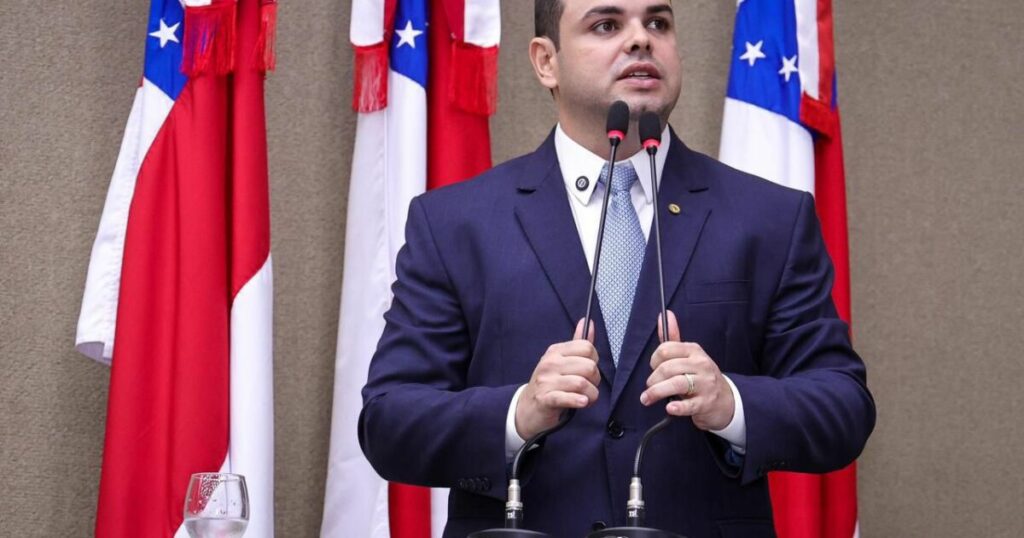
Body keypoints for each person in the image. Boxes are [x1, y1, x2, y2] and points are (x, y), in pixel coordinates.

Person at [358, 0, 875, 536]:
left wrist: (732, 404)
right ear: (546, 62)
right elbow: (389, 421)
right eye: (606, 25)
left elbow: (843, 406)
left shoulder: (770, 217)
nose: (640, 39)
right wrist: (517, 413)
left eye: (658, 23)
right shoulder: (454, 223)